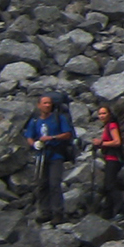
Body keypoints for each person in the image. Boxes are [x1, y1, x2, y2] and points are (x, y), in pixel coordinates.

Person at [23, 94, 76, 223]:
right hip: (41, 155)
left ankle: (58, 213)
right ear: (39, 105)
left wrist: (52, 138)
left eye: (49, 103)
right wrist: (34, 144)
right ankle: (45, 212)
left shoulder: (59, 118)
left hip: (56, 155)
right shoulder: (35, 121)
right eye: (45, 103)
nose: (47, 105)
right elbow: (29, 136)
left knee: (54, 184)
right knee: (42, 184)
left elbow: (68, 134)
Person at [95, 105, 124, 207]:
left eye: (104, 113)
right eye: (100, 114)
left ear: (109, 114)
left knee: (110, 184)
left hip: (114, 159)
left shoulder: (112, 125)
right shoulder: (107, 126)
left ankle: (121, 208)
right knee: (108, 185)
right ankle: (108, 211)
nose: (102, 116)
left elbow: (117, 141)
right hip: (110, 158)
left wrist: (101, 143)